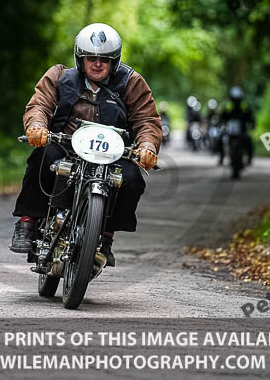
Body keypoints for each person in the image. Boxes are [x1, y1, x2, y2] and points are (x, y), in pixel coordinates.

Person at [10, 23, 162, 267]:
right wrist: (37, 127)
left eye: (105, 59)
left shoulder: (132, 83)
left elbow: (147, 120)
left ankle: (107, 236)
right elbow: (39, 105)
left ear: (115, 60)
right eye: (91, 58)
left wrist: (147, 146)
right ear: (80, 58)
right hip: (66, 147)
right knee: (43, 156)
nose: (97, 64)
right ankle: (28, 221)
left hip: (113, 154)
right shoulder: (60, 76)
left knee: (132, 178)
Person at [219, 86, 255, 165]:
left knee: (249, 140)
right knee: (220, 139)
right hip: (229, 129)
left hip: (242, 130)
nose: (236, 101)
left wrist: (252, 124)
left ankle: (249, 158)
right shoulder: (228, 105)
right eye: (234, 99)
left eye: (237, 99)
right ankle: (221, 157)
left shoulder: (244, 105)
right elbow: (222, 116)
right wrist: (221, 123)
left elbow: (250, 116)